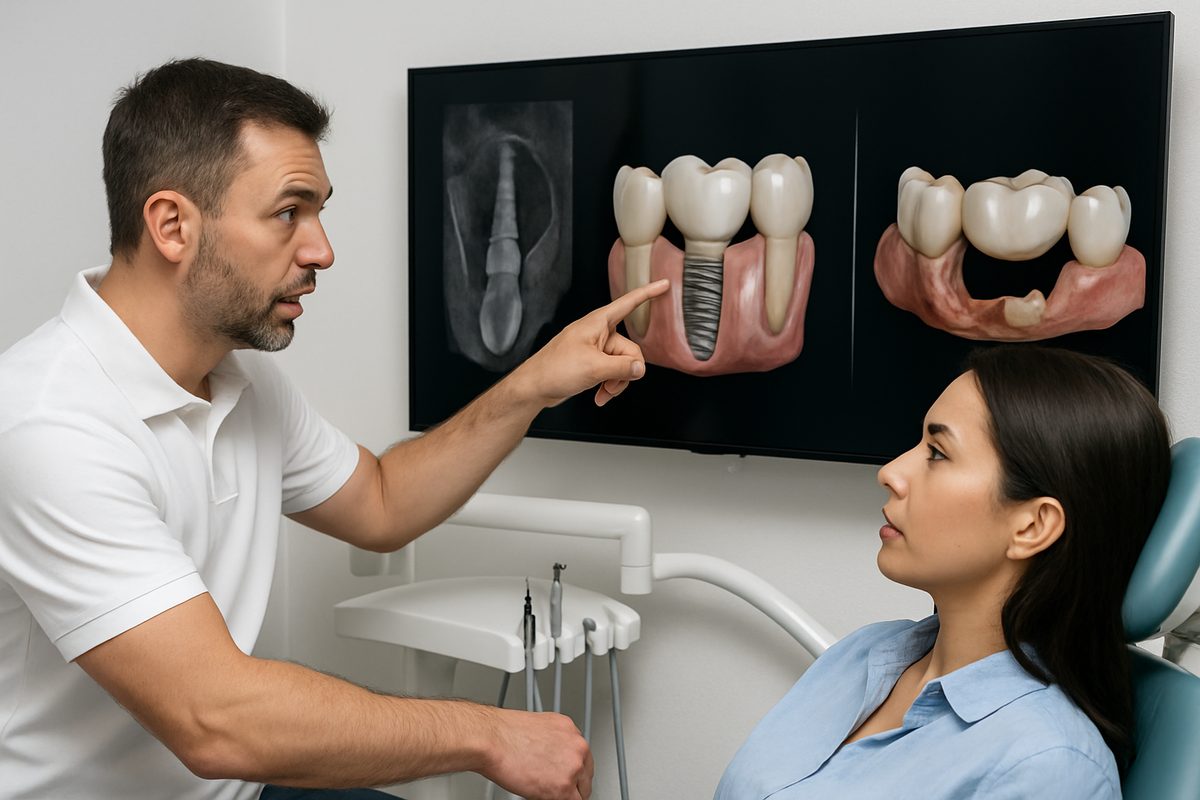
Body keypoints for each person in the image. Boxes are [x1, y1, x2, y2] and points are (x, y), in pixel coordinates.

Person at [0, 58, 669, 800]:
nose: (322, 250)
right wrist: (489, 733)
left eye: (318, 212)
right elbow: (216, 719)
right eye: (289, 211)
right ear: (171, 225)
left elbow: (381, 502)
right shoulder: (47, 425)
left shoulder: (240, 381)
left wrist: (535, 381)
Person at [715, 346, 1171, 799]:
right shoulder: (865, 653)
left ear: (1032, 526)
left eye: (937, 452)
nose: (891, 472)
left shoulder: (1047, 767)